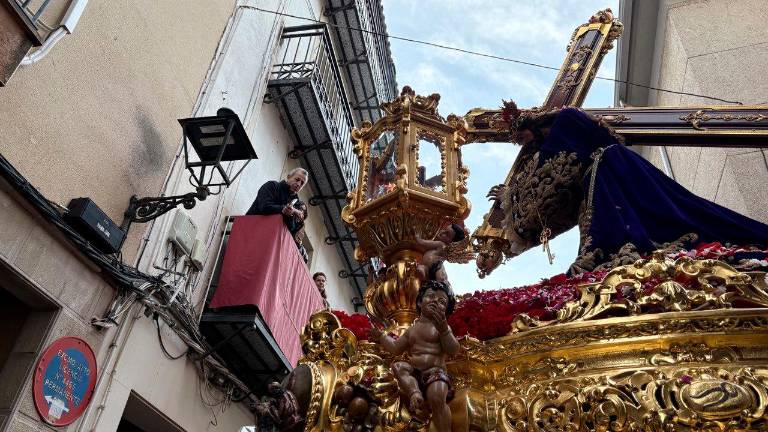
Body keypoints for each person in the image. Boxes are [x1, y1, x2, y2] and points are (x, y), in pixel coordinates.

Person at [490, 103, 768, 273]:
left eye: (523, 136)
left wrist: (509, 196)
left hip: (613, 172)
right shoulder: (561, 136)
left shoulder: (567, 122)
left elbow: (553, 176)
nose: (526, 145)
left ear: (534, 125)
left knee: (664, 215)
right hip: (606, 174)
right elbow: (558, 195)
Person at [369, 281, 459, 432]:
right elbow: (396, 348)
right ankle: (414, 393)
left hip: (435, 373)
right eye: (430, 296)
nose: (436, 301)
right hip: (415, 373)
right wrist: (382, 337)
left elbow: (453, 350)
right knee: (398, 366)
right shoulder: (412, 330)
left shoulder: (442, 328)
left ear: (446, 310)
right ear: (419, 301)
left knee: (437, 397)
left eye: (442, 301)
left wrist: (444, 330)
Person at [247, 168, 309, 257]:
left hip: (269, 247)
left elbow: (291, 230)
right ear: (289, 177)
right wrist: (283, 210)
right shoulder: (272, 186)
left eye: (302, 183)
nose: (298, 184)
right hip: (251, 233)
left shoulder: (297, 204)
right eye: (297, 179)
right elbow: (264, 207)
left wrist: (290, 214)